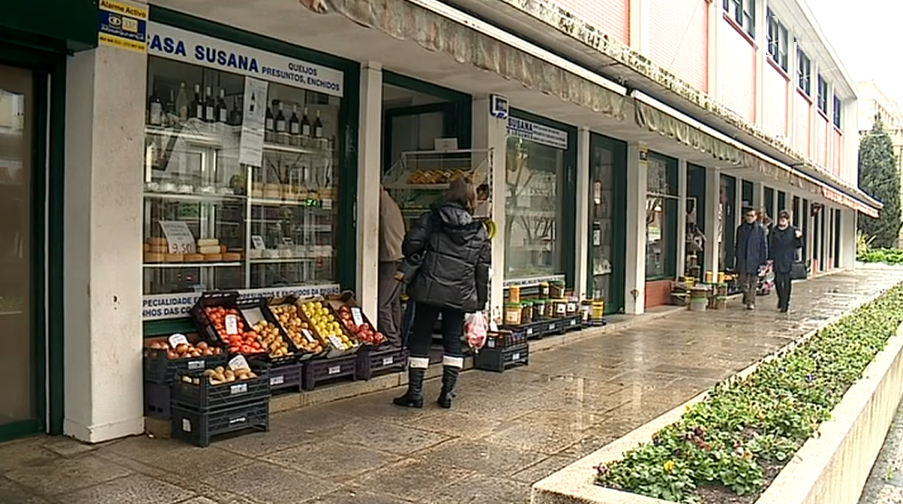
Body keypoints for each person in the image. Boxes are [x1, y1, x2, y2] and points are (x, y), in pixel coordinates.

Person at [393, 178, 490, 409]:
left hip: (429, 288)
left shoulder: (431, 219)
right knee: (453, 339)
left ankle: (415, 393)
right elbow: (482, 269)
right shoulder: (479, 230)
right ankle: (448, 392)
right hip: (460, 293)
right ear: (471, 199)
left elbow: (409, 247)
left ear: (449, 194)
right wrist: (480, 303)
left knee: (421, 337)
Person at [378, 186, 406, 345]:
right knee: (393, 302)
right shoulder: (390, 203)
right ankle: (398, 339)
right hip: (399, 257)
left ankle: (392, 340)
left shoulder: (378, 203)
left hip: (389, 258)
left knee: (382, 304)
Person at [769, 209, 803, 313]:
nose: (782, 221)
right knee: (778, 282)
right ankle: (781, 298)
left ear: (788, 220)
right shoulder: (774, 231)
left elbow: (799, 245)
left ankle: (785, 303)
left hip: (789, 260)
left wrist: (799, 237)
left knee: (787, 283)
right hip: (778, 259)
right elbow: (771, 245)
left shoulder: (793, 230)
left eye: (785, 219)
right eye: (781, 219)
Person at [735, 207, 768, 310]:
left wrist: (763, 261)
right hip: (743, 258)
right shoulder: (740, 229)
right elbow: (738, 244)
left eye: (752, 216)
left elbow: (764, 245)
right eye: (748, 216)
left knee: (753, 282)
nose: (750, 218)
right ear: (745, 217)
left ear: (756, 217)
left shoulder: (760, 230)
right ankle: (746, 294)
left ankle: (750, 302)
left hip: (755, 258)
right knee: (742, 280)